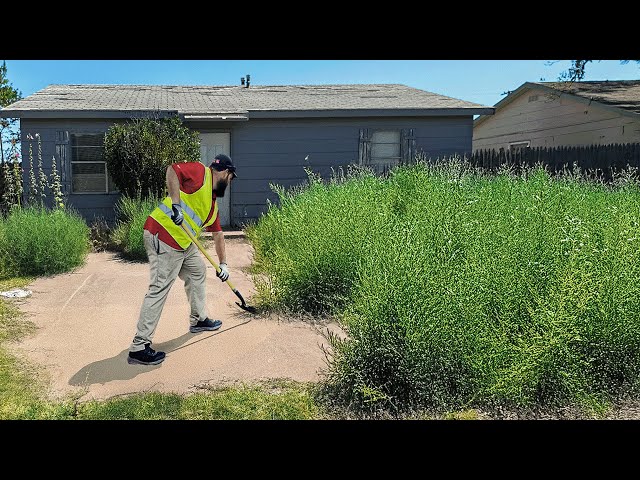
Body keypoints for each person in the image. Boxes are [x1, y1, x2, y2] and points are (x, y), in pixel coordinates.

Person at [127, 153, 238, 365]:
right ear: (225, 172)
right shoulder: (200, 172)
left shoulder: (211, 205)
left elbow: (218, 235)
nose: (230, 183)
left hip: (184, 244)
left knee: (197, 271)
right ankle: (139, 347)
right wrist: (176, 205)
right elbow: (172, 170)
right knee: (159, 288)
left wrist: (223, 264)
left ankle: (199, 319)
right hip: (163, 234)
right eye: (231, 178)